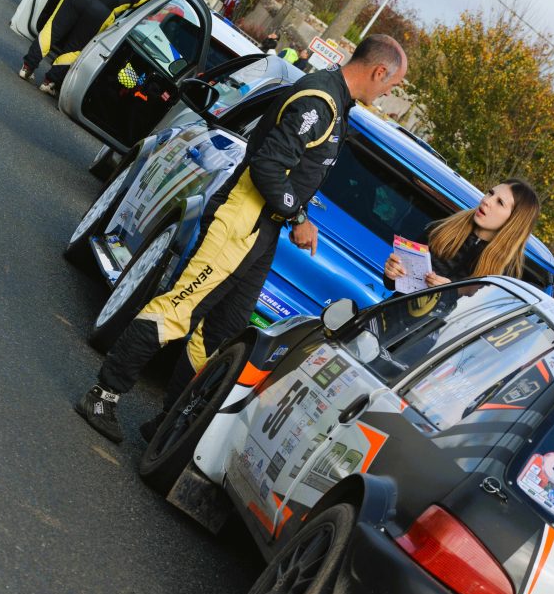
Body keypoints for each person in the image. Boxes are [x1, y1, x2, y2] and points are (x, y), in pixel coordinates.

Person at [74, 33, 408, 444]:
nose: (390, 92)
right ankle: (104, 394)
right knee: (179, 308)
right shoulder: (319, 101)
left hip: (262, 231)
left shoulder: (336, 103)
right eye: (393, 84)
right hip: (240, 219)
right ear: (378, 71)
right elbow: (268, 164)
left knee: (221, 332)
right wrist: (299, 216)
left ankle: (166, 423)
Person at [18, 0, 156, 96]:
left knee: (52, 29)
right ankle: (48, 82)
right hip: (101, 12)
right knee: (75, 48)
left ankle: (27, 67)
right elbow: (135, 18)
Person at [383, 180, 541, 291]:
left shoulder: (504, 275)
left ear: (513, 222)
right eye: (490, 193)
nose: (487, 201)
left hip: (432, 338)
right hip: (384, 325)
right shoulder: (442, 229)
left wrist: (448, 295)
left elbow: (474, 326)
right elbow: (393, 284)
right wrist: (392, 272)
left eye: (500, 202)